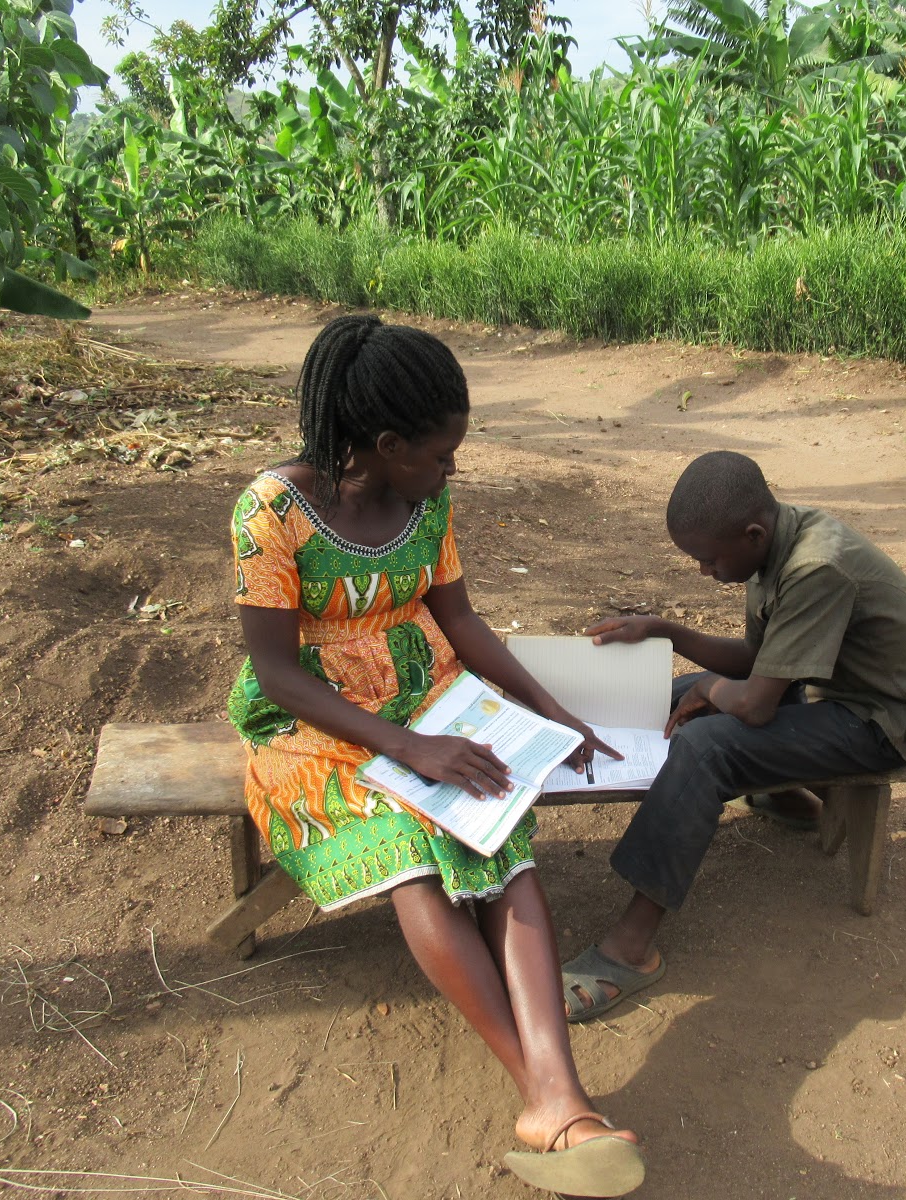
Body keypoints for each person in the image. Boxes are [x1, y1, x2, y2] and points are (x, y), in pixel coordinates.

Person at [228, 314, 644, 1198]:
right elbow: (272, 674)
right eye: (439, 453)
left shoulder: (425, 502)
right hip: (315, 727)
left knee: (502, 842)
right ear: (383, 445)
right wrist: (407, 748)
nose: (452, 469)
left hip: (431, 702)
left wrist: (552, 712)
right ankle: (548, 1098)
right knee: (416, 855)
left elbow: (459, 621)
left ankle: (557, 1099)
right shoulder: (270, 513)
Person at [561, 450, 906, 1022]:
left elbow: (756, 704)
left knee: (706, 743)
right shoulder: (774, 544)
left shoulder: (817, 566)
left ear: (751, 533)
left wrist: (714, 694)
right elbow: (754, 659)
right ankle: (781, 791)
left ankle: (632, 948)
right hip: (828, 690)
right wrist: (664, 632)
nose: (704, 571)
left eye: (709, 560)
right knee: (677, 694)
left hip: (884, 720)